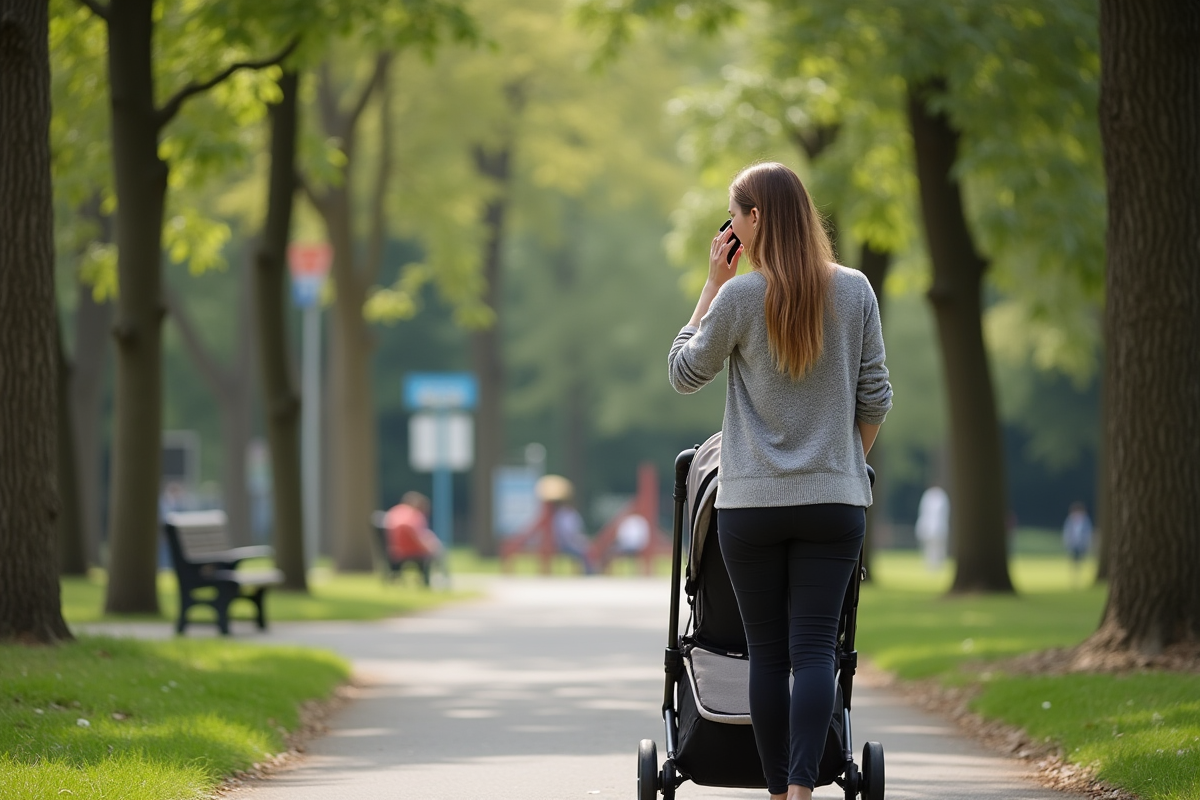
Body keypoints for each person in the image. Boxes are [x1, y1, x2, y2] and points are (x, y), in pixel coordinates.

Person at [667, 162, 892, 800]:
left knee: (767, 654)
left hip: (752, 505)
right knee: (816, 649)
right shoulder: (855, 291)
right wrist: (846, 460)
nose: (730, 226)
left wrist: (711, 285)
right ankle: (802, 788)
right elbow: (875, 397)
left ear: (756, 219)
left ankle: (777, 794)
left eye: (733, 214)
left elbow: (683, 372)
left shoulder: (740, 297)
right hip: (834, 502)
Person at [537, 475, 596, 574]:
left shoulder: (556, 516)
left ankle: (589, 571)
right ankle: (589, 573)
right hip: (565, 544)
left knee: (586, 549)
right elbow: (571, 534)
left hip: (560, 542)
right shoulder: (567, 515)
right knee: (585, 551)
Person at [383, 492, 443, 585]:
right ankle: (439, 579)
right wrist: (430, 549)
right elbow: (417, 536)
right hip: (412, 550)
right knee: (437, 550)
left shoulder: (394, 512)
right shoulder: (414, 515)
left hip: (393, 551)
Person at [915, 484, 950, 571]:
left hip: (939, 527)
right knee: (930, 548)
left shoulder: (941, 497)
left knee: (939, 548)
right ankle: (931, 565)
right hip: (930, 527)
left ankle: (937, 565)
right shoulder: (929, 496)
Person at [1062, 501, 1093, 587]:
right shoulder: (1070, 520)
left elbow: (1088, 533)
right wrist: (1068, 542)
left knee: (1081, 562)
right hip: (1073, 545)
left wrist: (1087, 543)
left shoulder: (1086, 520)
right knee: (1073, 562)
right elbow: (1067, 532)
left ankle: (1081, 578)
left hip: (1082, 545)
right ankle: (1074, 579)